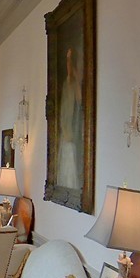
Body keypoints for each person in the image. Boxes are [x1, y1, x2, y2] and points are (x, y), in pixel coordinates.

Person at [57, 46, 83, 189]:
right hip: (68, 135)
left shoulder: (76, 86)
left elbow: (79, 105)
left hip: (74, 134)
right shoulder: (68, 85)